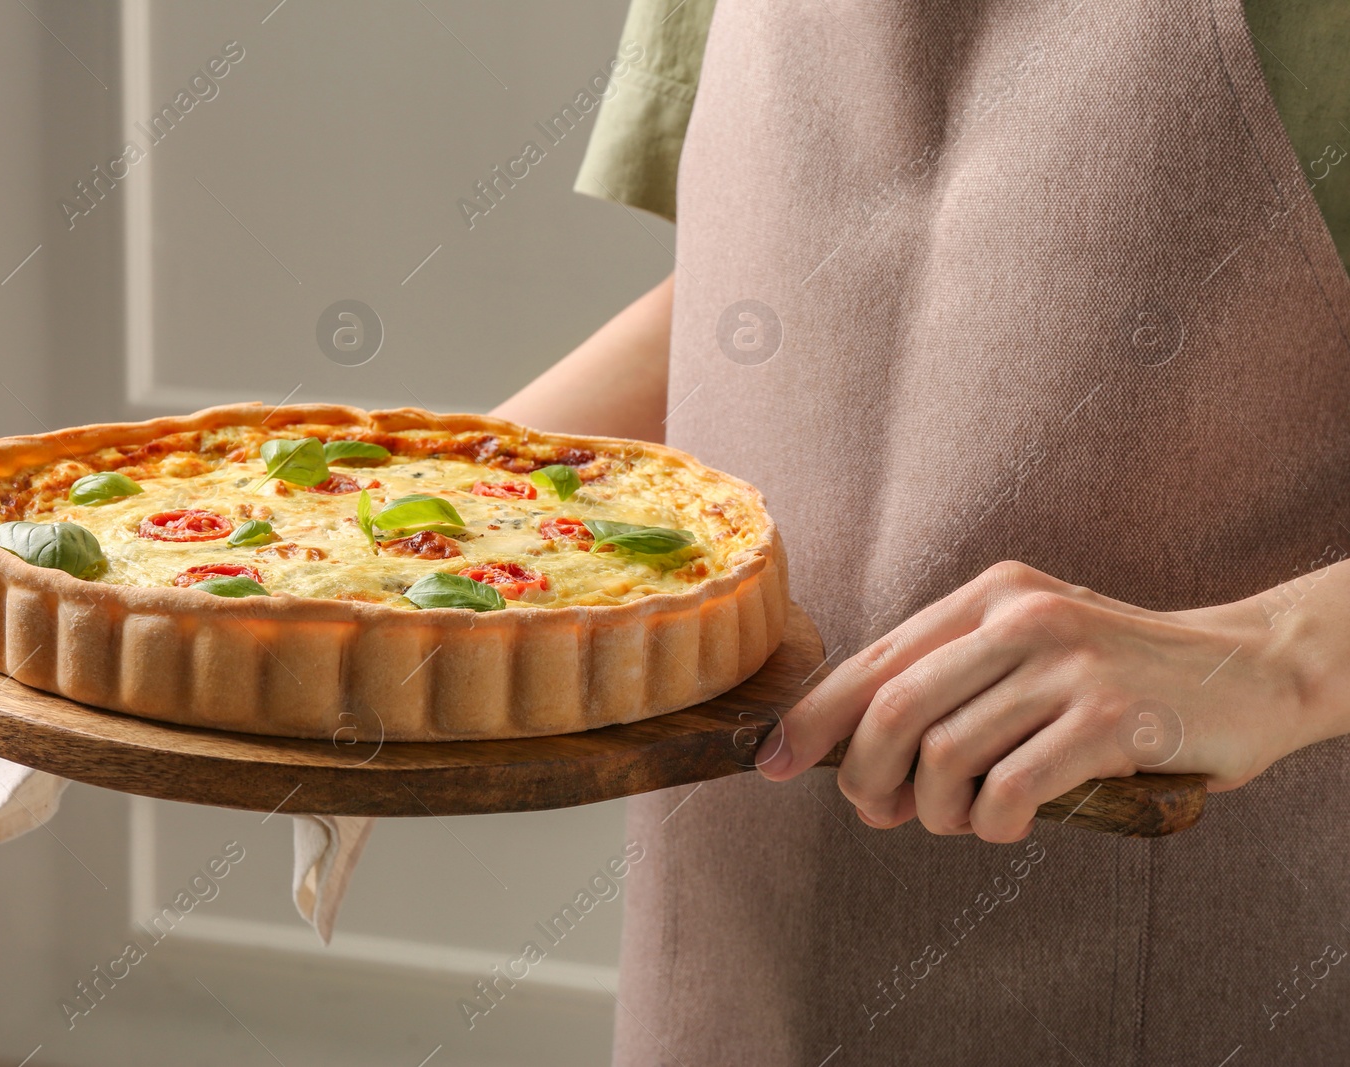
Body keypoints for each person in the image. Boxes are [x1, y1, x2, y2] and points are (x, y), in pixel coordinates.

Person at [495, 0, 1350, 1063]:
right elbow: (773, 272)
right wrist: (389, 519)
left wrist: (1283, 656)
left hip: (1210, 951)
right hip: (723, 946)